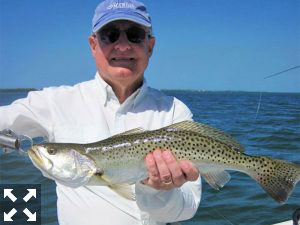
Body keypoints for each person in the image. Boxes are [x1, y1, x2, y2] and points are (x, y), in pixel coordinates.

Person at [0, 0, 202, 224]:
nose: (123, 46)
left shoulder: (175, 111)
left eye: (134, 34)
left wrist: (157, 190)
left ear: (150, 46)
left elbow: (187, 210)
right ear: (93, 45)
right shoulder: (53, 102)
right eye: (110, 34)